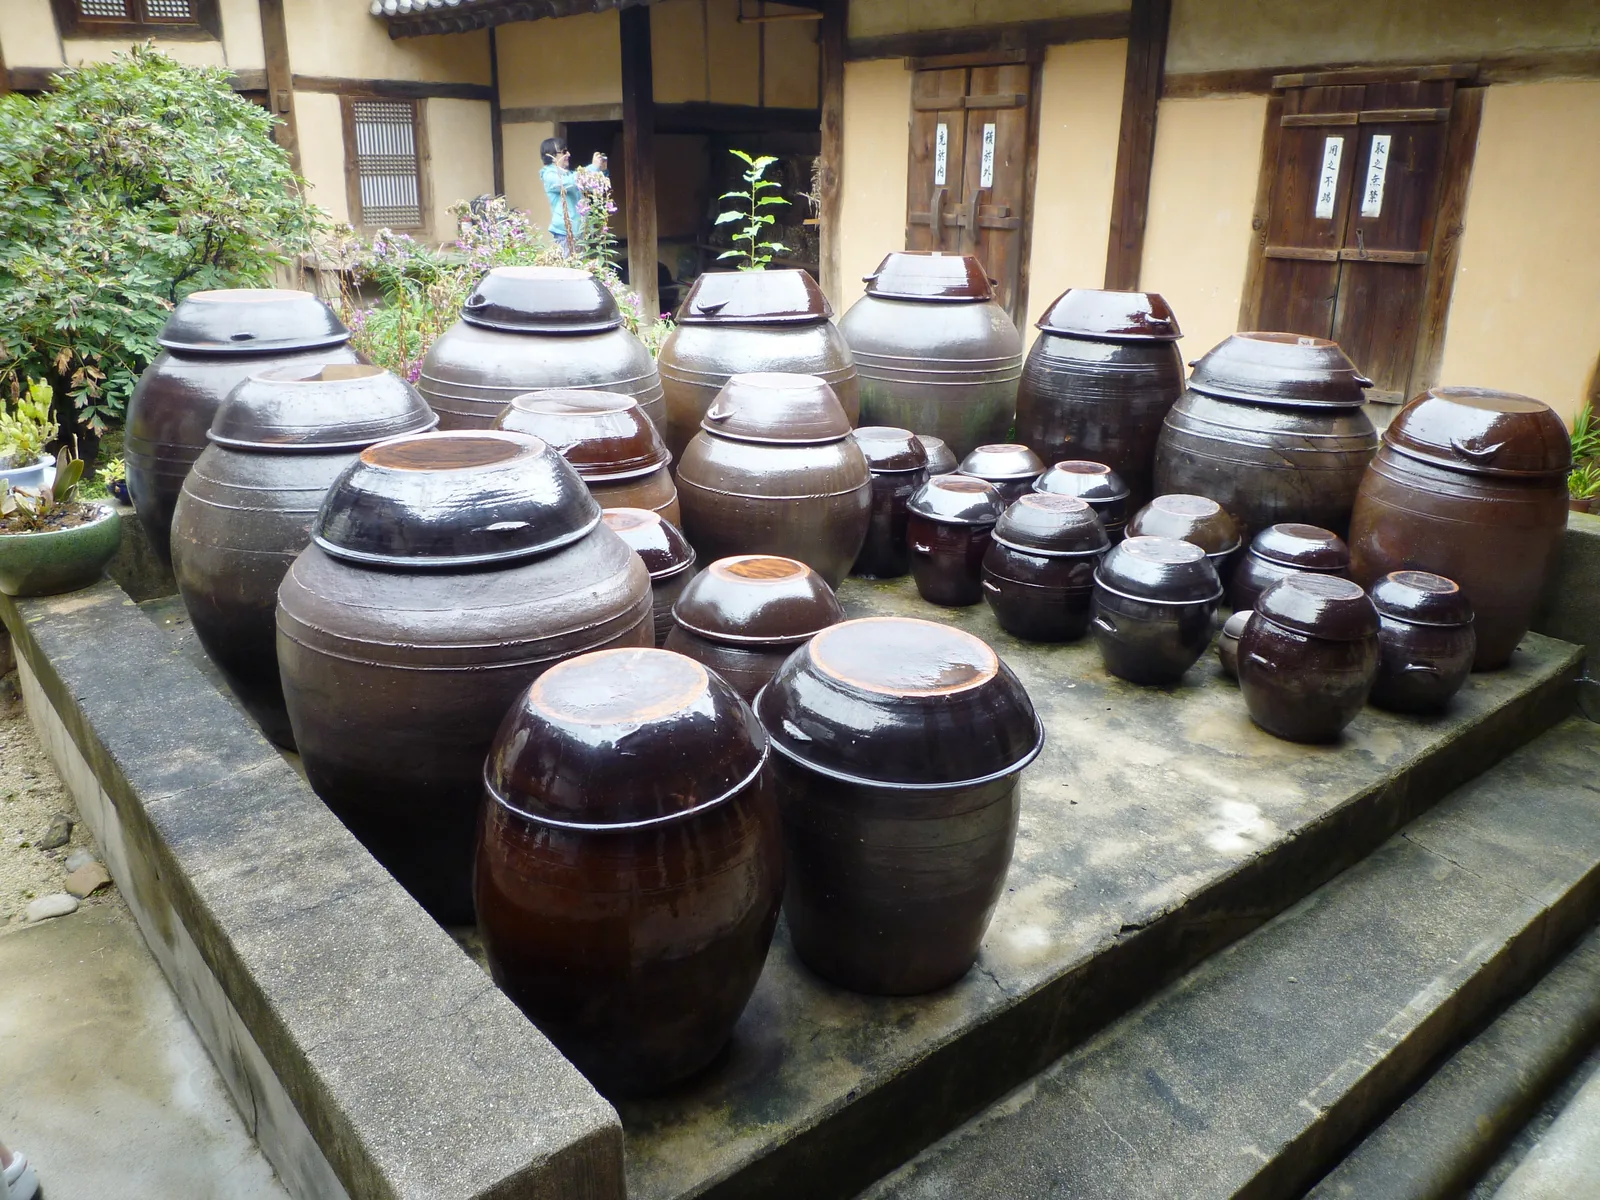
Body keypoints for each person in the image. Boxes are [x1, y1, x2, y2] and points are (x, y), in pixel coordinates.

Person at [539, 137, 607, 255]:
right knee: (569, 265)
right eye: (564, 152)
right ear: (552, 156)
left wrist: (601, 171)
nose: (569, 154)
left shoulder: (569, 174)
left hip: (579, 232)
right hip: (565, 233)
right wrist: (592, 167)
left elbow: (592, 186)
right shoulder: (549, 175)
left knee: (579, 265)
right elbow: (570, 182)